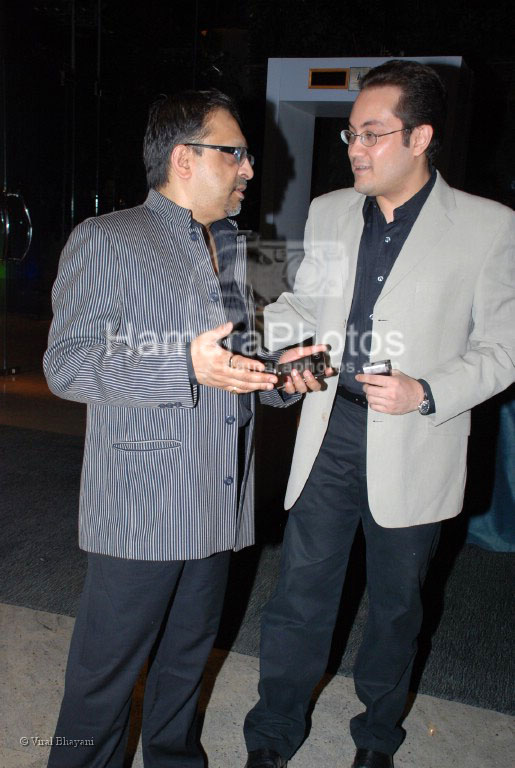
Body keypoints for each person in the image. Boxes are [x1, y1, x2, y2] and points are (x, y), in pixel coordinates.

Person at [243, 60, 515, 768]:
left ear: (419, 136)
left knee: (396, 609)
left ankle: (376, 740)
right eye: (349, 135)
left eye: (371, 133)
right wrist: (273, 340)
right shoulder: (331, 211)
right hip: (330, 431)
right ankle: (271, 737)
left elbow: (502, 349)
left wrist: (425, 390)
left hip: (416, 440)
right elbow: (305, 302)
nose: (354, 148)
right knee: (299, 594)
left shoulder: (488, 227)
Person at [43, 89, 321, 768]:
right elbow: (66, 365)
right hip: (141, 503)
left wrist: (279, 379)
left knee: (183, 667)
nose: (249, 169)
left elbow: (234, 363)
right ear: (184, 158)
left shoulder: (235, 248)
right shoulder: (107, 239)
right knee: (103, 682)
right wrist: (182, 366)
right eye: (237, 154)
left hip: (217, 501)